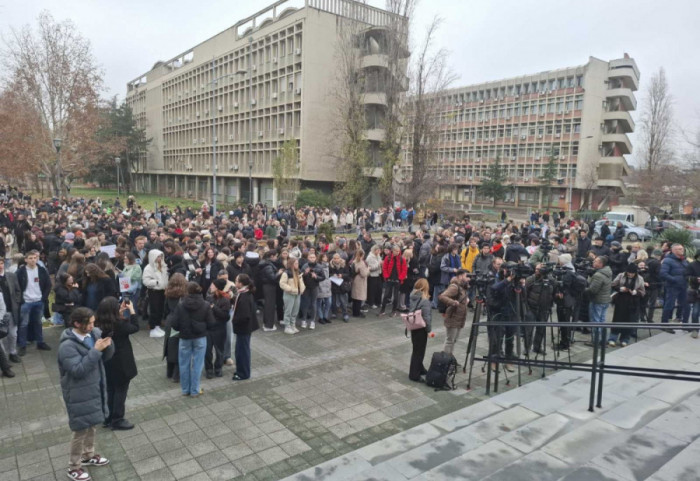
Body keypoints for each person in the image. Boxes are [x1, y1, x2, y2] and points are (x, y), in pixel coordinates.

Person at [58, 307, 113, 481]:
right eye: (89, 323)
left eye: (93, 322)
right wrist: (96, 350)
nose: (92, 326)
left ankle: (88, 455)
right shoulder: (67, 346)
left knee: (92, 424)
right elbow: (78, 370)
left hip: (94, 388)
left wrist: (107, 345)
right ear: (77, 324)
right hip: (78, 394)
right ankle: (74, 466)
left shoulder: (94, 334)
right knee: (80, 430)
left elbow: (105, 358)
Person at [95, 297, 138, 430]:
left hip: (107, 362)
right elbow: (135, 327)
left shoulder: (98, 324)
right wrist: (131, 310)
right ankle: (117, 419)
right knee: (121, 390)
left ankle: (107, 417)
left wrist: (118, 312)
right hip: (122, 363)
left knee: (110, 389)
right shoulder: (120, 324)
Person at [170, 282, 213, 397]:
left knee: (184, 364)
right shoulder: (205, 305)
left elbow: (174, 324)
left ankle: (185, 390)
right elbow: (211, 323)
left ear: (187, 291)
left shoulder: (181, 305)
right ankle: (195, 390)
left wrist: (183, 328)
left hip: (185, 337)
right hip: (200, 337)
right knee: (198, 364)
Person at [16, 250, 52, 356]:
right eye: (30, 258)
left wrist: (43, 298)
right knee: (23, 324)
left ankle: (40, 342)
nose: (33, 260)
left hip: (38, 301)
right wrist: (21, 300)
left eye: (35, 258)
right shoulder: (21, 272)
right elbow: (16, 287)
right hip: (26, 302)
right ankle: (22, 345)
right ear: (26, 259)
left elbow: (48, 285)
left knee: (38, 322)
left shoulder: (41, 270)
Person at [609, 264, 645, 347]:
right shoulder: (621, 275)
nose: (630, 274)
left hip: (633, 302)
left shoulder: (640, 279)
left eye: (632, 273)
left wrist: (636, 292)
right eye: (628, 273)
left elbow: (643, 292)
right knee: (617, 319)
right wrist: (620, 288)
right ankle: (612, 338)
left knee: (629, 321)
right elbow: (613, 284)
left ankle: (625, 339)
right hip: (621, 301)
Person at [231, 274, 258, 380]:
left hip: (243, 328)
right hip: (243, 328)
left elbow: (244, 315)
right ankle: (240, 370)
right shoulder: (243, 293)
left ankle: (243, 373)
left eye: (236, 280)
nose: (235, 282)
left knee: (242, 351)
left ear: (241, 283)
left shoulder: (245, 296)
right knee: (240, 350)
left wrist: (235, 320)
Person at [438, 269, 470, 355]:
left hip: (459, 318)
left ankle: (449, 358)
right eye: (466, 276)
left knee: (454, 340)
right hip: (453, 317)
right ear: (460, 276)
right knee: (450, 341)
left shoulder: (462, 286)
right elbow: (442, 296)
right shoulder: (454, 287)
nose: (468, 278)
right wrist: (453, 302)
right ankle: (445, 360)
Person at [660, 243, 690, 333]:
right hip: (672, 286)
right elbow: (663, 273)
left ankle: (685, 325)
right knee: (669, 305)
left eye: (682, 248)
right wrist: (674, 279)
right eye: (680, 249)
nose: (682, 250)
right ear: (674, 250)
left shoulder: (684, 260)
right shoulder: (668, 260)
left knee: (687, 306)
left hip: (684, 286)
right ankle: (664, 324)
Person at [205, 279, 231, 378]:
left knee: (219, 351)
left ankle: (218, 368)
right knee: (207, 351)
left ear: (217, 287)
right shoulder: (208, 298)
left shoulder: (225, 300)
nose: (210, 286)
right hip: (209, 328)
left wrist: (213, 307)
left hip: (220, 329)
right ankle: (208, 369)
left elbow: (225, 316)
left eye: (212, 285)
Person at [163, 273, 187, 382]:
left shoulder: (168, 293)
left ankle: (169, 372)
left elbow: (165, 309)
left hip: (170, 320)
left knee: (169, 346)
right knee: (179, 348)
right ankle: (176, 375)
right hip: (180, 321)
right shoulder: (184, 295)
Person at [584, 256, 613, 345]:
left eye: (595, 261)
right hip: (605, 300)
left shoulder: (598, 275)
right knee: (602, 321)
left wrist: (584, 288)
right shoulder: (608, 272)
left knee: (595, 322)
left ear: (601, 264)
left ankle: (595, 341)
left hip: (597, 301)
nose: (593, 262)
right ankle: (602, 340)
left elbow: (593, 290)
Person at [408, 278, 432, 382]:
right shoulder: (425, 301)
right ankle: (414, 374)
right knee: (419, 352)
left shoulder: (413, 297)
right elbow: (427, 318)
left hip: (414, 326)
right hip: (421, 328)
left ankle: (420, 369)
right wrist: (429, 330)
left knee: (416, 350)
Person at [142, 249, 168, 338]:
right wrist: (156, 282)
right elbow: (145, 281)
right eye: (158, 256)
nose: (160, 258)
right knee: (154, 309)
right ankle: (153, 328)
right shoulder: (148, 268)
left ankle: (157, 326)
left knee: (160, 309)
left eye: (161, 256)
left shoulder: (163, 265)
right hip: (154, 291)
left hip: (162, 291)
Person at [0, 257, 22, 364]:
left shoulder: (11, 276)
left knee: (13, 334)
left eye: (1, 263)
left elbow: (18, 290)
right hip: (0, 313)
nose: (0, 266)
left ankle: (12, 352)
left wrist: (16, 302)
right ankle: (3, 357)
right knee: (2, 336)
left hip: (11, 310)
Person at [379, 245, 407, 317]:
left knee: (395, 297)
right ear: (393, 251)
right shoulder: (387, 258)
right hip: (389, 280)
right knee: (385, 295)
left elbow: (404, 270)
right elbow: (384, 268)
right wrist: (386, 276)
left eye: (398, 251)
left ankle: (394, 311)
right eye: (396, 251)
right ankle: (382, 310)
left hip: (397, 281)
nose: (397, 252)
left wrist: (400, 278)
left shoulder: (402, 259)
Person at [280, 258, 305, 334]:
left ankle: (292, 325)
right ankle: (287, 326)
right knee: (288, 311)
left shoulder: (299, 272)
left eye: (297, 263)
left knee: (295, 311)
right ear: (291, 264)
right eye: (296, 263)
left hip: (297, 294)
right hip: (289, 294)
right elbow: (282, 283)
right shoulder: (286, 273)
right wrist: (290, 289)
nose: (297, 265)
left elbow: (301, 282)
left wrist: (302, 289)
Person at [259, 251, 281, 331]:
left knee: (268, 305)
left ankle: (267, 324)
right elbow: (273, 278)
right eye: (275, 256)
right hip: (269, 287)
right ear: (271, 256)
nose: (276, 258)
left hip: (267, 286)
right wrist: (279, 273)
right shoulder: (268, 266)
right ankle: (268, 325)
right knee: (270, 306)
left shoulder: (265, 264)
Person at [350, 250, 369, 318]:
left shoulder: (354, 261)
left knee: (355, 298)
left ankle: (354, 312)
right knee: (359, 298)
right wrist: (368, 269)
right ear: (362, 255)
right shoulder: (361, 263)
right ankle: (357, 313)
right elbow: (363, 274)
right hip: (360, 281)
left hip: (355, 280)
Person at [316, 253, 332, 324]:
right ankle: (321, 317)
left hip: (327, 286)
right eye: (324, 257)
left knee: (328, 302)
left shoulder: (328, 265)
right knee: (319, 302)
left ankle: (325, 316)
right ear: (321, 258)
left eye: (326, 256)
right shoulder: (319, 266)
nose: (326, 258)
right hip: (320, 285)